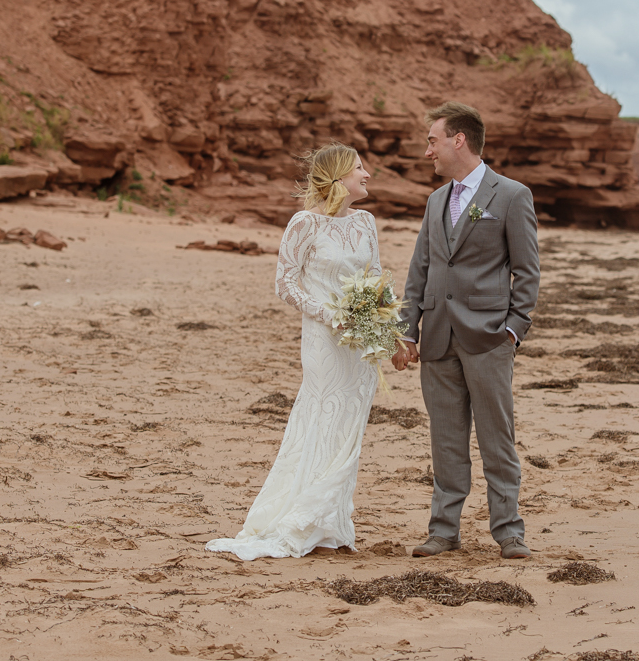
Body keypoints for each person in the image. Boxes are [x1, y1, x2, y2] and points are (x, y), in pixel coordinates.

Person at [206, 143, 381, 561]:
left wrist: (381, 333)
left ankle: (330, 524)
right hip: (324, 339)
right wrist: (329, 314)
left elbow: (375, 279)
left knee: (348, 425)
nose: (368, 174)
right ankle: (301, 518)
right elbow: (286, 283)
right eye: (359, 167)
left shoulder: (367, 222)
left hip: (360, 344)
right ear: (339, 176)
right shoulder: (305, 223)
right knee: (321, 417)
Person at [392, 102, 539, 560]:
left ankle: (509, 531)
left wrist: (512, 331)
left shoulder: (512, 196)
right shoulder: (437, 200)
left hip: (489, 336)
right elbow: (421, 268)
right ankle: (443, 530)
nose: (427, 151)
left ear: (459, 140)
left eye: (432, 140)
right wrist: (407, 329)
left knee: (497, 438)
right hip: (437, 337)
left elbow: (527, 272)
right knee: (446, 439)